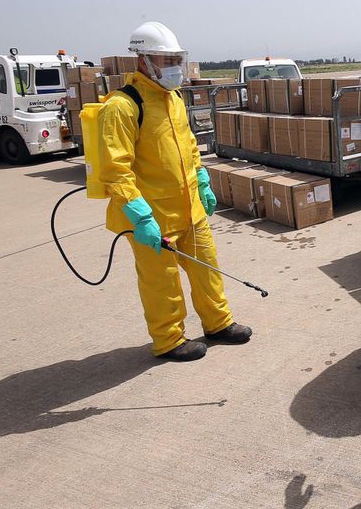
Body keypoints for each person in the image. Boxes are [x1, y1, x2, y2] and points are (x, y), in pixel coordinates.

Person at [97, 21, 252, 361]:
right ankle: (168, 340)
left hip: (189, 208)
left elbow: (189, 145)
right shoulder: (122, 106)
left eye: (175, 60)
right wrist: (140, 217)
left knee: (207, 269)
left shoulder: (173, 99)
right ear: (143, 61)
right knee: (161, 283)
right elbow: (115, 170)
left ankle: (218, 323)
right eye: (164, 61)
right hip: (152, 217)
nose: (173, 68)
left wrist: (203, 181)